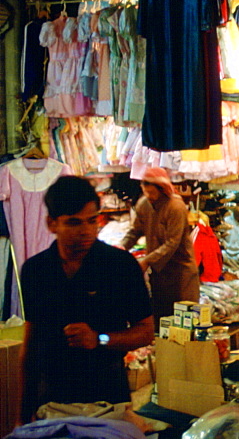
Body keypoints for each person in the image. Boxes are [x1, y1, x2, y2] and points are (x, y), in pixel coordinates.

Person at [20, 176, 154, 421]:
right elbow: (31, 344)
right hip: (51, 396)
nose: (85, 232)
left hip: (107, 394)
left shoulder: (120, 265)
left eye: (91, 221)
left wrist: (100, 339)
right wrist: (22, 411)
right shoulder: (35, 270)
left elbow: (146, 332)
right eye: (73, 223)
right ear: (52, 224)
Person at [120, 167, 200, 320]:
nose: (149, 196)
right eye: (146, 192)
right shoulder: (144, 204)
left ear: (162, 189)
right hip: (159, 272)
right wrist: (121, 247)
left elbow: (172, 243)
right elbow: (135, 231)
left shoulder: (176, 206)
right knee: (161, 318)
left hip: (181, 272)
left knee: (185, 318)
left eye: (152, 193)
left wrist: (146, 261)